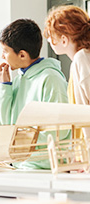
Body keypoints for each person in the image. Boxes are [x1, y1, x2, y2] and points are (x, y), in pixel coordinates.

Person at [0, 19, 70, 169]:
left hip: (45, 168)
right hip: (20, 165)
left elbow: (60, 130)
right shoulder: (17, 81)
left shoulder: (50, 78)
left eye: (5, 51)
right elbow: (5, 124)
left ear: (22, 55)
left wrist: (21, 145)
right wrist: (5, 86)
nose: (2, 56)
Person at [44, 5, 90, 140]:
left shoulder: (82, 59)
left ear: (64, 40)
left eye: (51, 36)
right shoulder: (82, 58)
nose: (49, 41)